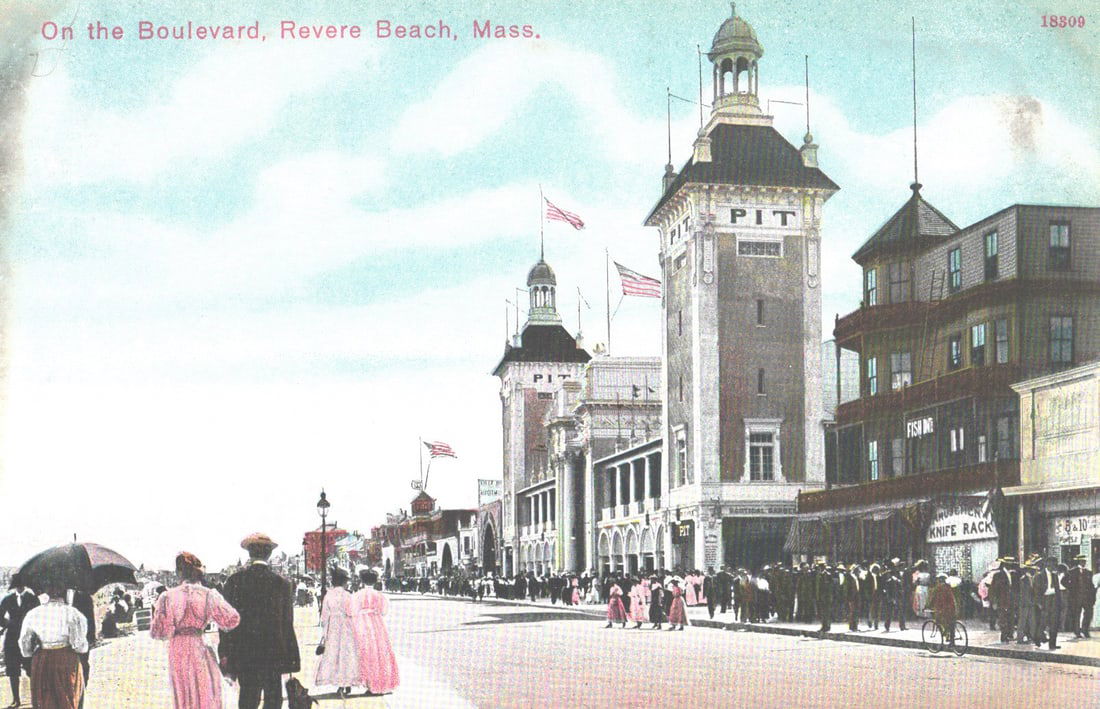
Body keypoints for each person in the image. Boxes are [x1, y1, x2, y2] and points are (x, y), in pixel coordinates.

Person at [219, 533, 301, 709]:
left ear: (249, 554)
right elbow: (287, 624)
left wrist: (225, 652)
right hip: (274, 652)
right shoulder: (283, 584)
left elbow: (225, 623)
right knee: (273, 699)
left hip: (245, 652)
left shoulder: (234, 581)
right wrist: (291, 657)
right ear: (269, 554)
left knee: (248, 698)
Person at [151, 552, 241, 709]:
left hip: (177, 648)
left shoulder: (167, 596)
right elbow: (232, 619)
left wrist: (171, 625)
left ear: (179, 572)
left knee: (183, 691)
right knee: (204, 690)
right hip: (200, 643)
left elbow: (157, 632)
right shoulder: (209, 595)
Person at [19, 579, 88, 709]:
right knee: (69, 697)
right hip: (66, 659)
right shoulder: (73, 614)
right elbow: (79, 645)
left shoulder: (33, 614)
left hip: (42, 660)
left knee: (45, 700)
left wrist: (34, 650)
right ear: (66, 592)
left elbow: (24, 645)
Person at [351, 568, 399, 696]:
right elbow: (384, 612)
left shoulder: (357, 595)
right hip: (377, 624)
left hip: (362, 623)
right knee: (380, 651)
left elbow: (353, 611)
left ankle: (369, 683)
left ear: (361, 580)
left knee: (366, 652)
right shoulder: (380, 595)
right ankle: (381, 682)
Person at [315, 567, 360, 698]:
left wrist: (324, 630)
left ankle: (339, 682)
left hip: (333, 626)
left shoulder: (328, 595)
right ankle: (347, 683)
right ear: (344, 582)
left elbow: (324, 616)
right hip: (347, 626)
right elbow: (353, 612)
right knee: (347, 653)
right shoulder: (348, 595)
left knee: (334, 654)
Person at [0, 574, 40, 708]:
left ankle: (36, 699)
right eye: (16, 585)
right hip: (12, 639)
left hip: (28, 638)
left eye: (20, 584)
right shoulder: (7, 599)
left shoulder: (32, 599)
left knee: (31, 669)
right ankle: (16, 699)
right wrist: (9, 623)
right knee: (12, 670)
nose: (19, 587)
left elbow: (38, 619)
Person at [65, 589, 95, 709]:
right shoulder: (59, 594)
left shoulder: (85, 596)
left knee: (83, 666)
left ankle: (81, 694)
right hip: (65, 639)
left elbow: (90, 618)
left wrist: (92, 637)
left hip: (82, 637)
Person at [1034, 556, 1061, 650]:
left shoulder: (1055, 576)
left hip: (1054, 601)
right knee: (1043, 623)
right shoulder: (1039, 576)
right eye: (1053, 565)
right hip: (1044, 601)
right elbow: (1036, 591)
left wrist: (1059, 603)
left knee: (1054, 623)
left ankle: (1052, 644)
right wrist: (1039, 603)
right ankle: (1037, 639)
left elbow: (1057, 590)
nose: (1054, 567)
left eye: (1055, 565)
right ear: (1047, 564)